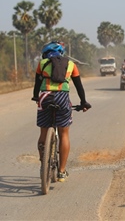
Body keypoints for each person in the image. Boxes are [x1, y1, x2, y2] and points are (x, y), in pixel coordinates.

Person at [32, 41, 91, 182]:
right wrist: (83, 102)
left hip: (45, 96)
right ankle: (62, 171)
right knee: (64, 133)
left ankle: (43, 163)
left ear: (46, 53)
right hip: (62, 97)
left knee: (43, 132)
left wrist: (36, 97)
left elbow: (37, 84)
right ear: (61, 53)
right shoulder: (71, 64)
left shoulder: (42, 64)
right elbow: (79, 87)